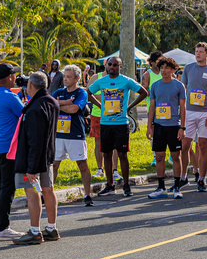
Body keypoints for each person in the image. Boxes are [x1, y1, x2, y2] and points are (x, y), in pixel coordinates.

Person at [87, 57, 148, 197]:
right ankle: (110, 186)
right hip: (105, 123)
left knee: (122, 155)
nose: (112, 67)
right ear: (106, 66)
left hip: (121, 123)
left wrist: (129, 107)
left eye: (115, 65)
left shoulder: (126, 81)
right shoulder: (101, 81)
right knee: (107, 154)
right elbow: (88, 93)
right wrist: (100, 106)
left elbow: (144, 92)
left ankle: (126, 185)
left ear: (120, 66)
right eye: (110, 64)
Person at [12, 72, 60, 245]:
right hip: (47, 156)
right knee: (48, 189)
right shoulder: (52, 102)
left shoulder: (35, 108)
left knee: (32, 192)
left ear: (31, 85)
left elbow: (35, 140)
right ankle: (51, 228)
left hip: (34, 158)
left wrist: (31, 168)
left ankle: (35, 231)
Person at [0, 63, 25, 241]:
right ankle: (3, 227)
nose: (15, 77)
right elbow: (24, 114)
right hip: (8, 149)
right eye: (14, 75)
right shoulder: (11, 97)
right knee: (7, 187)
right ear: (9, 77)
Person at [180, 43, 207, 192]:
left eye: (201, 52)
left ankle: (202, 179)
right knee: (185, 146)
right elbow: (182, 89)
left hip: (205, 113)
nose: (198, 54)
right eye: (196, 51)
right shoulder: (188, 68)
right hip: (189, 112)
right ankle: (183, 177)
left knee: (203, 146)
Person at [51, 65, 93, 207]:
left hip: (75, 134)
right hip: (58, 134)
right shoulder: (58, 92)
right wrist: (64, 103)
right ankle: (49, 194)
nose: (65, 79)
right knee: (54, 164)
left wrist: (59, 105)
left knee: (82, 164)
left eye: (68, 77)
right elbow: (50, 105)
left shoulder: (81, 93)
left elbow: (74, 109)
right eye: (64, 76)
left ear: (77, 78)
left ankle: (87, 194)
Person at [147, 56, 187, 199]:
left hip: (174, 125)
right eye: (162, 68)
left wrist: (182, 127)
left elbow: (183, 107)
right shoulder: (155, 86)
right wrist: (149, 126)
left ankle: (177, 186)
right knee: (159, 156)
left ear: (172, 69)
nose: (163, 70)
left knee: (176, 156)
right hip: (159, 126)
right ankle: (161, 187)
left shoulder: (179, 86)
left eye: (167, 68)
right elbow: (152, 106)